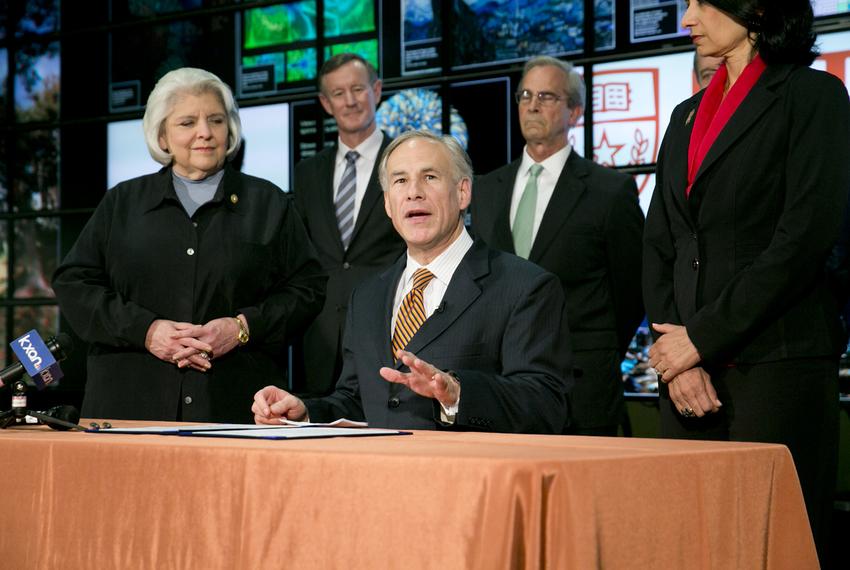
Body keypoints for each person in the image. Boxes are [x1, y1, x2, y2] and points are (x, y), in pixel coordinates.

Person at [643, 1, 850, 563]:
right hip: (687, 378)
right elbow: (661, 243)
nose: (686, 18)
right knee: (691, 546)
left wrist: (699, 339)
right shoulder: (684, 115)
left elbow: (803, 240)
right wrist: (674, 351)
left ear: (755, 8)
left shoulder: (814, 98)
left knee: (774, 547)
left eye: (700, 3)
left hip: (775, 366)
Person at [52, 67, 326, 423]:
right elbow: (74, 283)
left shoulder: (269, 203)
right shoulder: (122, 203)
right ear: (162, 136)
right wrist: (146, 331)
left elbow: (308, 288)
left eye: (216, 120)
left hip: (237, 409)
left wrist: (243, 328)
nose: (205, 133)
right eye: (187, 123)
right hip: (127, 409)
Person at [254, 130, 572, 433]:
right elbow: (357, 400)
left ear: (463, 192)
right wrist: (306, 413)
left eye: (429, 177)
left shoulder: (524, 287)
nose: (414, 191)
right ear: (389, 204)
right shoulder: (366, 297)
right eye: (400, 180)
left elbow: (546, 405)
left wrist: (457, 394)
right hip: (379, 482)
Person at [472, 56, 644, 436]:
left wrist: (594, 350)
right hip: (499, 388)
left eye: (547, 96)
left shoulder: (609, 192)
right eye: (525, 95)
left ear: (575, 111)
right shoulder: (484, 190)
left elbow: (632, 291)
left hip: (582, 385)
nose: (532, 105)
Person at [292, 53, 405, 398]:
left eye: (358, 89)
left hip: (388, 328)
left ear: (377, 90)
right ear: (326, 104)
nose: (351, 101)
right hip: (319, 337)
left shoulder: (403, 160)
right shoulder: (307, 172)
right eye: (338, 93)